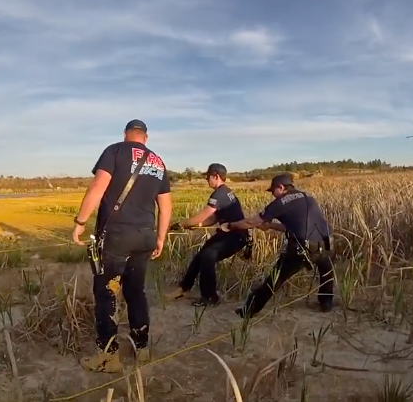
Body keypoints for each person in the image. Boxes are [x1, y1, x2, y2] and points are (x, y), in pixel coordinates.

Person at [71, 119, 172, 373]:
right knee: (136, 292)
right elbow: (166, 205)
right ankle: (142, 348)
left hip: (118, 236)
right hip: (145, 237)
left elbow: (97, 187)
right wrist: (160, 237)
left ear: (126, 134)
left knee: (107, 293)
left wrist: (80, 221)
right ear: (145, 138)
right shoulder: (158, 162)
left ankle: (108, 358)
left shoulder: (114, 151)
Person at [221, 173, 334, 318]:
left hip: (302, 247)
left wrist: (230, 225)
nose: (273, 195)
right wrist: (271, 226)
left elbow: (251, 222)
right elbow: (296, 226)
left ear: (280, 187)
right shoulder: (308, 198)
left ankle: (249, 310)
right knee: (326, 272)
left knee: (275, 278)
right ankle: (326, 303)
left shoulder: (281, 202)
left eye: (273, 191)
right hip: (327, 242)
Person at [165, 163, 252, 306]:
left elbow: (203, 215)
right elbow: (213, 218)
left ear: (216, 176)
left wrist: (182, 224)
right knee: (201, 255)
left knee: (208, 256)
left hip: (236, 236)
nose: (206, 180)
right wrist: (198, 225)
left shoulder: (220, 193)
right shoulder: (225, 192)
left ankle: (210, 297)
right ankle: (184, 288)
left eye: (208, 177)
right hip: (228, 234)